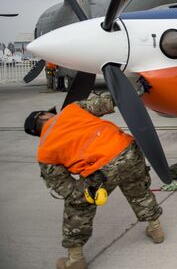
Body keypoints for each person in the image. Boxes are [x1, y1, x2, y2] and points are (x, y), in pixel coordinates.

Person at [24, 92, 164, 269]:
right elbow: (106, 101)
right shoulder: (72, 110)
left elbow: (62, 185)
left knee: (77, 208)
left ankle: (75, 260)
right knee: (139, 190)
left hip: (100, 172)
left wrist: (85, 194)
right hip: (128, 152)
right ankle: (156, 229)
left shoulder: (44, 151)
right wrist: (135, 90)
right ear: (43, 115)